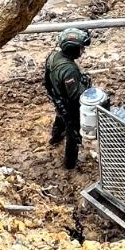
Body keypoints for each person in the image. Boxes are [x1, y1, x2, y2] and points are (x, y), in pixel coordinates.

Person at [44, 28, 91, 170]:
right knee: (73, 133)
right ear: (72, 49)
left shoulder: (53, 56)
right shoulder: (69, 69)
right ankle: (70, 163)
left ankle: (56, 137)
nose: (83, 51)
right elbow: (76, 95)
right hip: (69, 104)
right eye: (81, 48)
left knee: (60, 116)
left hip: (57, 96)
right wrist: (85, 84)